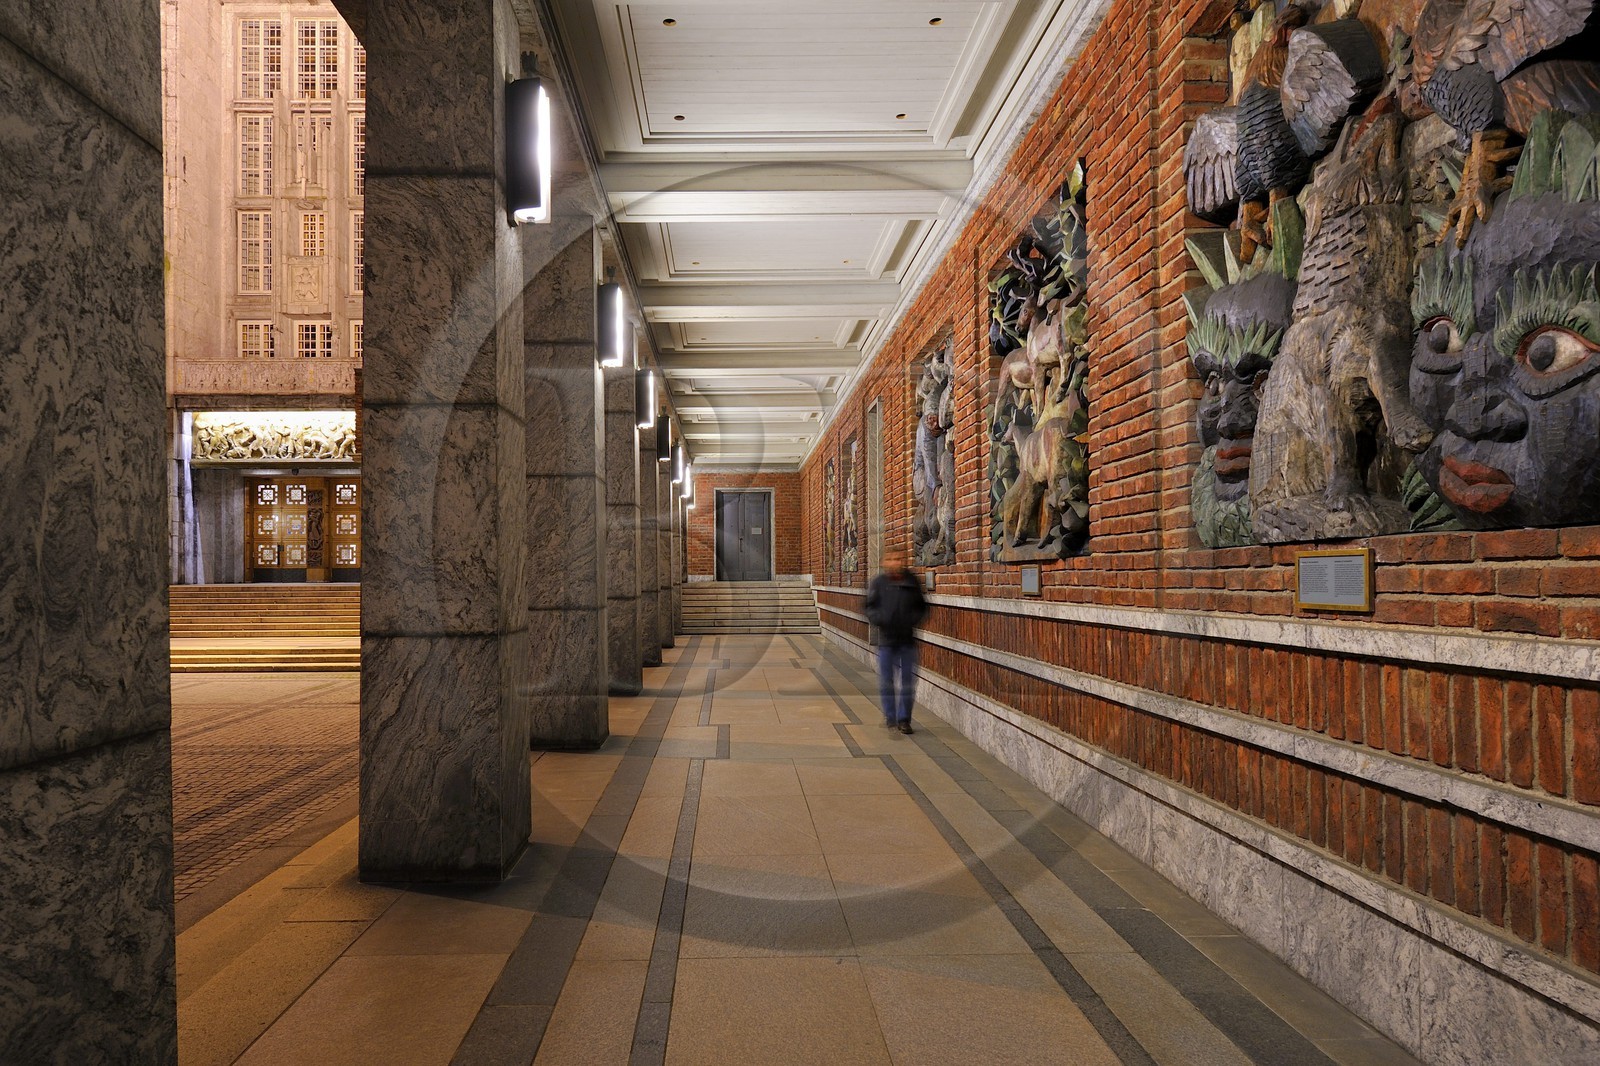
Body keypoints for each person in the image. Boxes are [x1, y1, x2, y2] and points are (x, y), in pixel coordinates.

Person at [863, 547, 929, 734]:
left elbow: (922, 607)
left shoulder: (912, 581)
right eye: (891, 559)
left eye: (898, 558)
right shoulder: (878, 583)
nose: (895, 562)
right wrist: (880, 619)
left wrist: (912, 619)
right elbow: (869, 607)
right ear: (884, 562)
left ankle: (904, 719)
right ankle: (890, 715)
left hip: (907, 641)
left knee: (907, 682)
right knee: (887, 681)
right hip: (887, 640)